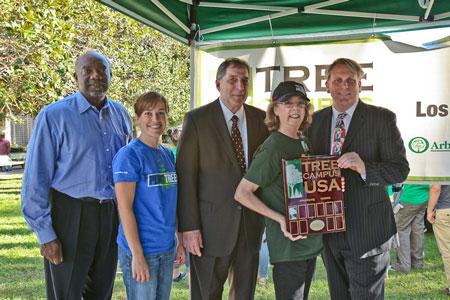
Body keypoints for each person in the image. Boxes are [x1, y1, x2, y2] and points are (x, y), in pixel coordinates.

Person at [21, 50, 132, 299]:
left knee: (101, 293)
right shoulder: (54, 116)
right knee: (67, 294)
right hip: (69, 216)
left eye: (102, 70)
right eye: (87, 71)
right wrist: (46, 234)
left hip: (110, 215)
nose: (95, 76)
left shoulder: (121, 115)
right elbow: (35, 178)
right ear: (76, 77)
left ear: (110, 75)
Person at [305, 58, 409, 299]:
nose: (345, 87)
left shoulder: (381, 119)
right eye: (338, 81)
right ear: (327, 84)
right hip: (330, 232)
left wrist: (364, 168)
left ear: (360, 85)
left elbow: (400, 169)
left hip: (368, 232)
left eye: (351, 81)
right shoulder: (314, 122)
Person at [176, 57, 269, 299]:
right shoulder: (197, 120)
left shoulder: (262, 120)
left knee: (244, 294)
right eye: (232, 80)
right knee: (207, 294)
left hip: (249, 228)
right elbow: (186, 177)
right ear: (218, 84)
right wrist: (188, 227)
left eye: (244, 81)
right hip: (208, 230)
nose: (239, 86)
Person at [234, 81, 322, 299]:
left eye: (301, 104)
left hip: (309, 242)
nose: (295, 109)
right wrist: (281, 219)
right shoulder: (273, 147)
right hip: (288, 248)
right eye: (288, 103)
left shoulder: (303, 142)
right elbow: (242, 193)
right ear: (275, 109)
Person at [113, 92, 184, 299]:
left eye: (160, 113)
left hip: (167, 248)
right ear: (137, 118)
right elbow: (125, 209)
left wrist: (178, 241)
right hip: (142, 250)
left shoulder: (167, 154)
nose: (155, 120)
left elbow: (172, 203)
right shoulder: (129, 156)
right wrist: (137, 255)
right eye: (148, 113)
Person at [391, 184, 429, 273]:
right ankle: (417, 263)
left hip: (408, 198)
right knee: (418, 230)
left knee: (401, 231)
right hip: (423, 198)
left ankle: (403, 265)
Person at [427, 184, 450, 296]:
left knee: (448, 252)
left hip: (445, 210)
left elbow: (436, 187)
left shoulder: (441, 166)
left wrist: (429, 211)